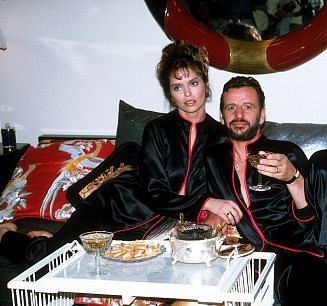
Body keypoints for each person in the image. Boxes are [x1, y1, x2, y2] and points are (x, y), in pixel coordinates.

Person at [0, 41, 241, 305]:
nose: (188, 94)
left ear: (205, 83)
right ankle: (7, 235)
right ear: (170, 94)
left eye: (193, 83)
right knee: (50, 263)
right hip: (119, 208)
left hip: (167, 226)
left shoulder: (221, 136)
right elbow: (155, 192)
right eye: (177, 87)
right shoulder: (157, 129)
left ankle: (54, 238)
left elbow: (223, 186)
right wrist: (206, 202)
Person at [203, 76, 327, 306]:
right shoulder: (213, 159)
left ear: (262, 114)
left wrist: (293, 177)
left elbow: (310, 215)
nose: (239, 114)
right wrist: (211, 210)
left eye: (248, 107)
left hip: (307, 248)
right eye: (231, 107)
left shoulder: (285, 152)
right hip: (261, 258)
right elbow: (195, 201)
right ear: (221, 116)